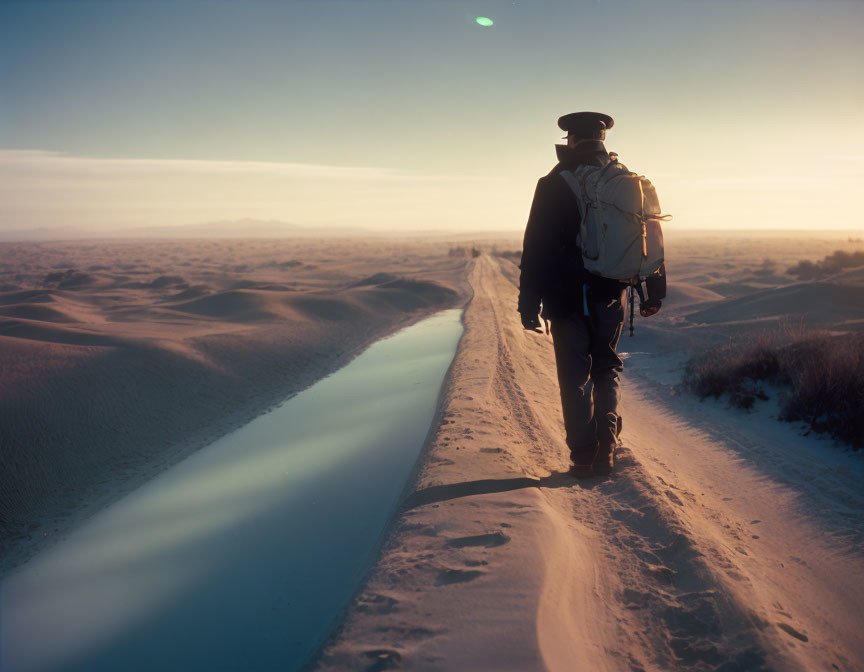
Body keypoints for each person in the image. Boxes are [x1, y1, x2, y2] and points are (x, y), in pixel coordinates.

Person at [517, 111, 627, 478]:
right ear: (602, 139)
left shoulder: (554, 182)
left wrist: (528, 302)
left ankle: (583, 454)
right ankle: (607, 446)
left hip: (567, 298)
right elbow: (647, 234)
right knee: (607, 367)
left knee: (574, 375)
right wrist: (654, 288)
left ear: (571, 140)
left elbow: (536, 247)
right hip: (612, 294)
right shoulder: (623, 179)